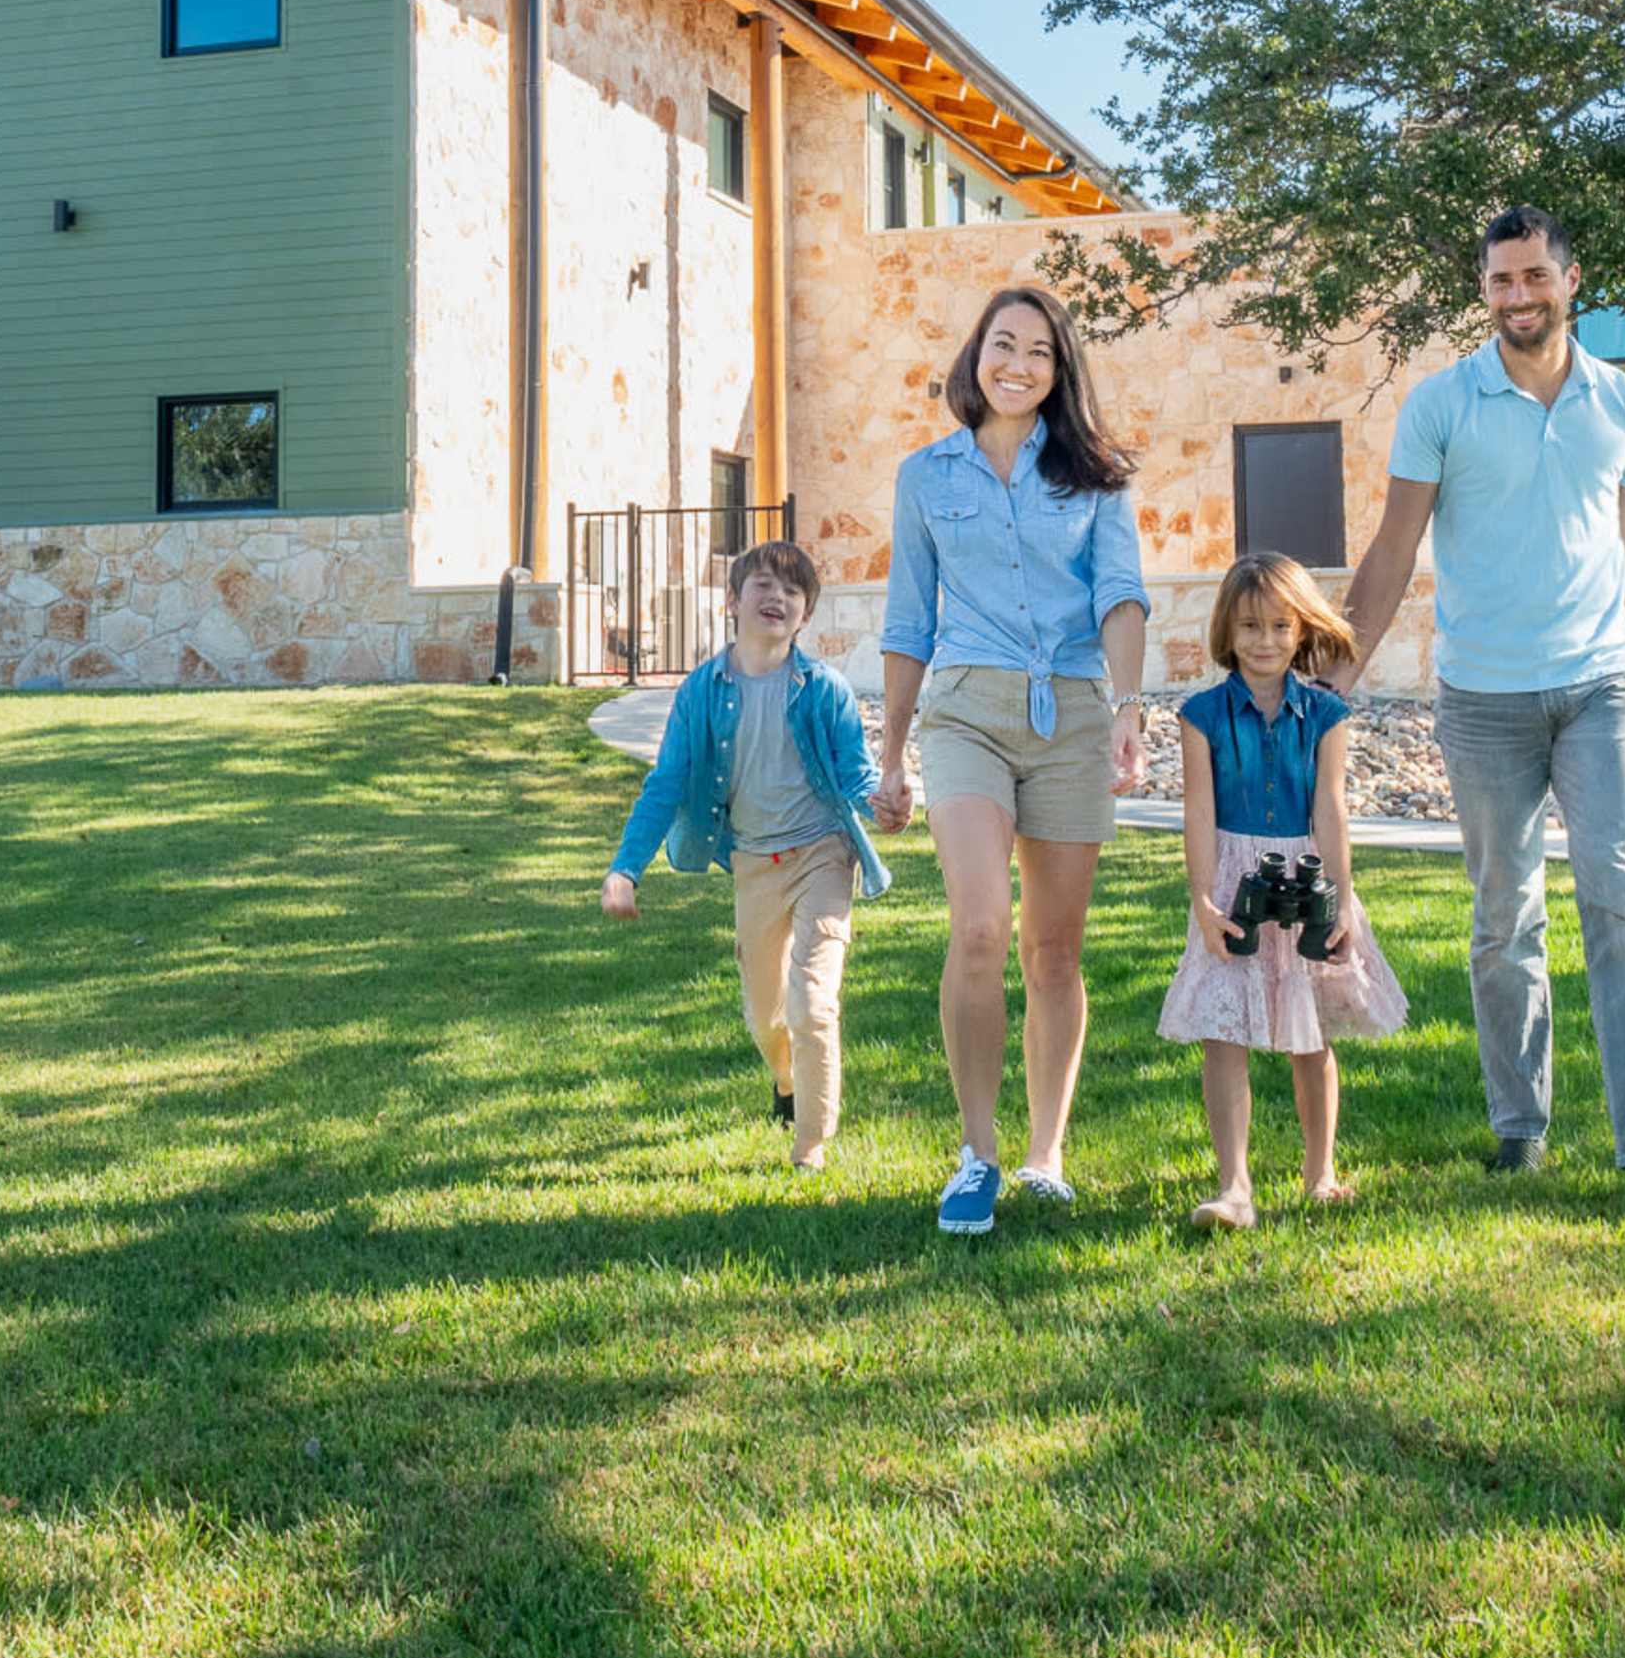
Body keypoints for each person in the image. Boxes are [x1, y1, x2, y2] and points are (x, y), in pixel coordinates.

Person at [1342, 206, 1625, 1209]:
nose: (1518, 297)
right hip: (1481, 697)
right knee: (1502, 918)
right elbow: (1393, 550)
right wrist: (1331, 677)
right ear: (1484, 293)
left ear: (1572, 279)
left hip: (1603, 688)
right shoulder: (1442, 405)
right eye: (1500, 283)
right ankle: (1519, 1126)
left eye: (1534, 278)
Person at [876, 283, 1151, 1236]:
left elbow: (1121, 595)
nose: (1019, 364)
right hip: (967, 714)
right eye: (1004, 344)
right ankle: (977, 1153)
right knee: (983, 925)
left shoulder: (1098, 478)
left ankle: (1046, 1154)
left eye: (1040, 350)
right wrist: (894, 752)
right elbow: (909, 621)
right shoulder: (928, 476)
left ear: (1060, 369)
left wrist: (1126, 707)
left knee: (1054, 947)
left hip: (1073, 711)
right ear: (976, 354)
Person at [600, 540, 894, 1172]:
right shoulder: (701, 693)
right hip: (754, 866)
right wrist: (625, 869)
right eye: (763, 584)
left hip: (823, 853)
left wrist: (883, 805)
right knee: (766, 1018)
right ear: (733, 601)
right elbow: (666, 784)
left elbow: (856, 776)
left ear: (805, 615)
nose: (777, 597)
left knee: (813, 1000)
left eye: (792, 591)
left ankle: (810, 1145)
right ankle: (785, 1081)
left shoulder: (826, 690)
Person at [1158, 551, 1407, 1232]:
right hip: (1230, 878)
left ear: (1301, 631)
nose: (1264, 641)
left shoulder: (1326, 713)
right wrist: (1202, 899)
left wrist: (1342, 893)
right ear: (1226, 632)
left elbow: (1331, 806)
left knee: (1310, 1030)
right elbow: (1198, 811)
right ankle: (1234, 1185)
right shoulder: (1201, 714)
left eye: (1277, 626)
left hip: (1305, 874)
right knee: (1223, 1029)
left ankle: (1320, 1171)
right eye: (1248, 627)